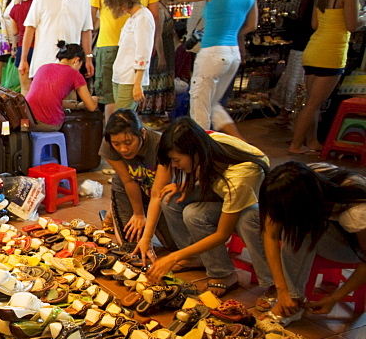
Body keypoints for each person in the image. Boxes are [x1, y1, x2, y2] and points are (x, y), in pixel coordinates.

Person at [134, 117, 272, 297]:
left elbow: (222, 234)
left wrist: (173, 257)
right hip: (225, 190)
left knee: (195, 215)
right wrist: (146, 238)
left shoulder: (240, 177)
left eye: (176, 160)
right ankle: (196, 257)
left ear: (194, 152)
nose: (175, 166)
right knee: (170, 197)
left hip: (253, 200)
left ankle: (226, 274)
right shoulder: (205, 143)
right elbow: (157, 193)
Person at [260, 161, 366, 322]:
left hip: (352, 249)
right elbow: (271, 235)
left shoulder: (357, 212)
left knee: (298, 230)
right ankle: (290, 299)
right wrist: (281, 289)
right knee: (291, 225)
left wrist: (333, 298)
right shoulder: (303, 177)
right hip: (331, 227)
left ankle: (291, 305)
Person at [174, 0, 259, 137]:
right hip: (232, 53)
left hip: (212, 53)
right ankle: (241, 146)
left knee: (200, 109)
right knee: (212, 105)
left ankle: (202, 153)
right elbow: (252, 25)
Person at [290, 0, 366, 154]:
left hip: (315, 47)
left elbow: (315, 24)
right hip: (332, 51)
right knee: (314, 103)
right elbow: (352, 25)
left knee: (312, 102)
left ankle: (312, 142)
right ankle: (296, 145)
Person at [90, 0, 161, 111]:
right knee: (120, 101)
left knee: (111, 102)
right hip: (128, 50)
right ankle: (112, 135)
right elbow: (156, 16)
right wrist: (155, 45)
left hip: (108, 43)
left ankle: (112, 135)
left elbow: (91, 19)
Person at [99, 109, 180, 252]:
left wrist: (147, 236)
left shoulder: (161, 145)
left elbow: (157, 194)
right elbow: (129, 181)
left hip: (156, 191)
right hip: (128, 187)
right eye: (117, 144)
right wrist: (138, 214)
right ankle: (118, 207)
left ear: (142, 134)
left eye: (128, 142)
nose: (123, 149)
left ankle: (114, 211)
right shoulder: (109, 144)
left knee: (173, 245)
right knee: (131, 246)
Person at [18, 0, 94, 88]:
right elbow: (30, 27)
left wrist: (88, 58)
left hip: (71, 63)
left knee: (68, 101)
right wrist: (23, 59)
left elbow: (86, 30)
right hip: (44, 61)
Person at [104, 0, 155, 114]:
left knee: (123, 119)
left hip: (130, 78)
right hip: (121, 75)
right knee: (122, 117)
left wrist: (137, 83)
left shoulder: (143, 17)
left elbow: (143, 51)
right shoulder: (133, 17)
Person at [25, 41, 98, 132]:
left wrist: (75, 105)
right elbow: (91, 107)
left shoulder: (43, 67)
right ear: (76, 60)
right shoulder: (74, 74)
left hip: (26, 119)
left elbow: (48, 99)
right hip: (46, 123)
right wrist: (94, 99)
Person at [142, 0, 178, 115]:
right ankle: (152, 113)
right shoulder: (159, 9)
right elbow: (157, 35)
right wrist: (161, 56)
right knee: (155, 82)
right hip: (160, 52)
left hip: (166, 52)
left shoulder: (161, 7)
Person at [6, 0, 36, 95]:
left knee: (25, 88)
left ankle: (26, 113)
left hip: (21, 48)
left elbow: (14, 32)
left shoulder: (15, 9)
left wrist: (13, 47)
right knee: (38, 86)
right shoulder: (36, 5)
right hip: (37, 48)